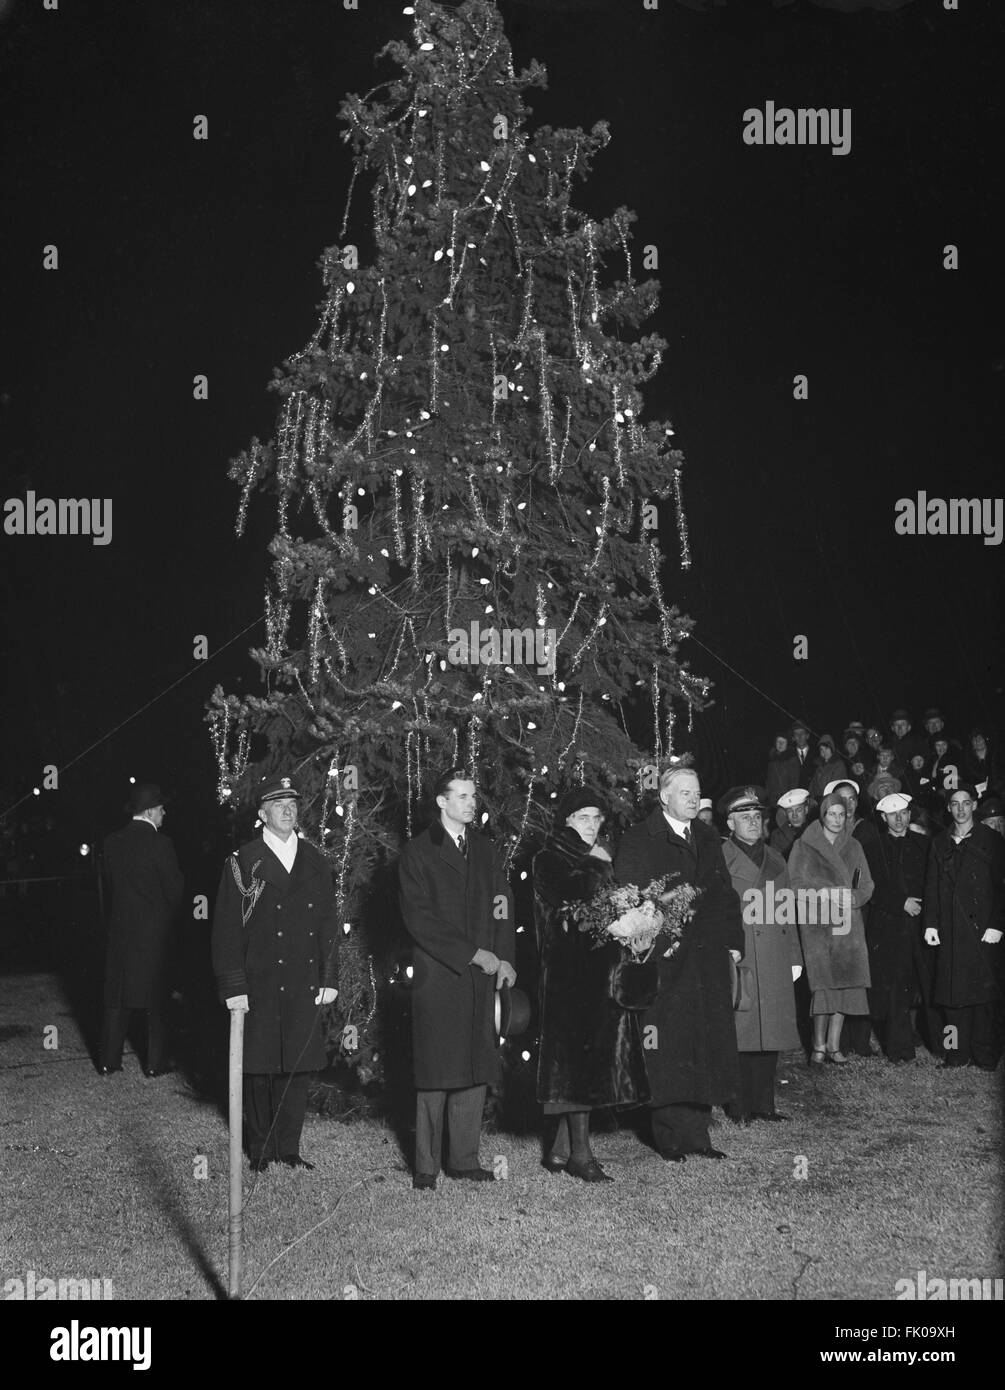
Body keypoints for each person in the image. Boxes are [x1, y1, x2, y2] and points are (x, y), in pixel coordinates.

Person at [614, 766, 743, 1162]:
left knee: (703, 1042)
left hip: (707, 958)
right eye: (685, 792)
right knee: (668, 1047)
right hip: (667, 960)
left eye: (697, 792)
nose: (693, 799)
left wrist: (734, 943)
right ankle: (669, 1137)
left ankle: (698, 1135)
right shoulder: (639, 838)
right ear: (664, 797)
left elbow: (724, 892)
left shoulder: (706, 836)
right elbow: (633, 898)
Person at [211, 776, 339, 1172]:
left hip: (303, 981)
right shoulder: (243, 862)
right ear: (263, 814)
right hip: (260, 981)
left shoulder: (316, 861)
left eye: (293, 803)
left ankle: (289, 1147)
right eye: (278, 803)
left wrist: (330, 978)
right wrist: (234, 987)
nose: (288, 808)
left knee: (296, 1068)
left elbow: (329, 926)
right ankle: (262, 1149)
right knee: (260, 1067)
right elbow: (226, 931)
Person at [398, 767, 515, 1190]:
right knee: (436, 1071)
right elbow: (419, 918)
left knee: (474, 1064)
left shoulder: (485, 849)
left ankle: (464, 1160)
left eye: (473, 796)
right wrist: (472, 954)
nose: (472, 803)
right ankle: (426, 1167)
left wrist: (504, 956)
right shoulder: (418, 851)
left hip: (483, 975)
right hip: (440, 975)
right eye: (462, 796)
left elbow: (502, 901)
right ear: (441, 802)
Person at [533, 790, 648, 1182]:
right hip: (568, 974)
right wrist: (598, 867)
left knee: (587, 1058)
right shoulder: (549, 857)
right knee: (577, 1066)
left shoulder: (595, 857)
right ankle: (582, 1157)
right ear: (566, 820)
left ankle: (560, 1152)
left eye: (596, 818)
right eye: (583, 817)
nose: (591, 824)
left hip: (600, 972)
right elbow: (572, 897)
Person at [718, 786, 803, 1124]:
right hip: (742, 953)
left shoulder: (777, 857)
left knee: (772, 1033)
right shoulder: (720, 858)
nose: (753, 823)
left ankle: (764, 1104)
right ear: (729, 822)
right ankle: (738, 1106)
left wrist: (795, 955)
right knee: (742, 1031)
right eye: (745, 817)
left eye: (757, 817)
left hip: (775, 954)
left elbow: (787, 910)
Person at [99, 783, 185, 1076]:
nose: (164, 813)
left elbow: (105, 890)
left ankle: (109, 1061)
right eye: (161, 809)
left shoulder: (110, 842)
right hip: (154, 937)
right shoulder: (161, 844)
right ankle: (154, 1064)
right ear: (150, 811)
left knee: (117, 998)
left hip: (120, 932)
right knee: (156, 1001)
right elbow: (174, 892)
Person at [923, 783, 1004, 1069]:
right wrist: (930, 924)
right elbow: (931, 886)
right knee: (950, 997)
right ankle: (955, 1053)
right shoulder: (939, 842)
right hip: (951, 931)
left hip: (983, 931)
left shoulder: (992, 840)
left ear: (974, 805)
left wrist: (997, 924)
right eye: (954, 804)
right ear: (948, 808)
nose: (960, 809)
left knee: (983, 998)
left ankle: (985, 1056)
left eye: (965, 803)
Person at [788, 793, 873, 1064]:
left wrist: (856, 898)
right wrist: (823, 893)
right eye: (831, 814)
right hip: (818, 923)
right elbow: (794, 884)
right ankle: (818, 1045)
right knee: (823, 985)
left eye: (841, 814)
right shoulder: (804, 845)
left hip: (848, 924)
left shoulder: (855, 846)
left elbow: (867, 884)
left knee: (846, 985)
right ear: (822, 816)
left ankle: (835, 1045)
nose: (837, 819)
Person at [866, 793, 934, 1062]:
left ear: (909, 814)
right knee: (896, 988)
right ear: (883, 818)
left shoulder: (925, 844)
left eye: (903, 812)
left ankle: (943, 1044)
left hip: (922, 925)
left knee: (929, 984)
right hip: (890, 927)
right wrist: (900, 903)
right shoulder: (873, 847)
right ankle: (900, 1049)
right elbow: (871, 887)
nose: (899, 818)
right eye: (892, 814)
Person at [770, 787, 811, 860]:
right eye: (790, 811)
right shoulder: (778, 836)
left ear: (806, 810)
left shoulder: (816, 831)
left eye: (799, 810)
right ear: (785, 814)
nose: (794, 815)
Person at [808, 736, 847, 803]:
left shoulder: (839, 764)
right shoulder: (818, 765)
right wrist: (810, 798)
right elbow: (813, 784)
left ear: (832, 748)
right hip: (817, 801)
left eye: (826, 748)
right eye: (821, 749)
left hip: (831, 801)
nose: (824, 752)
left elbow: (834, 786)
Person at [765, 733, 798, 804]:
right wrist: (767, 797)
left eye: (783, 742)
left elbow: (794, 781)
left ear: (787, 744)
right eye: (778, 742)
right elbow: (768, 782)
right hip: (773, 799)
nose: (780, 744)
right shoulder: (771, 760)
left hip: (787, 798)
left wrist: (790, 798)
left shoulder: (792, 760)